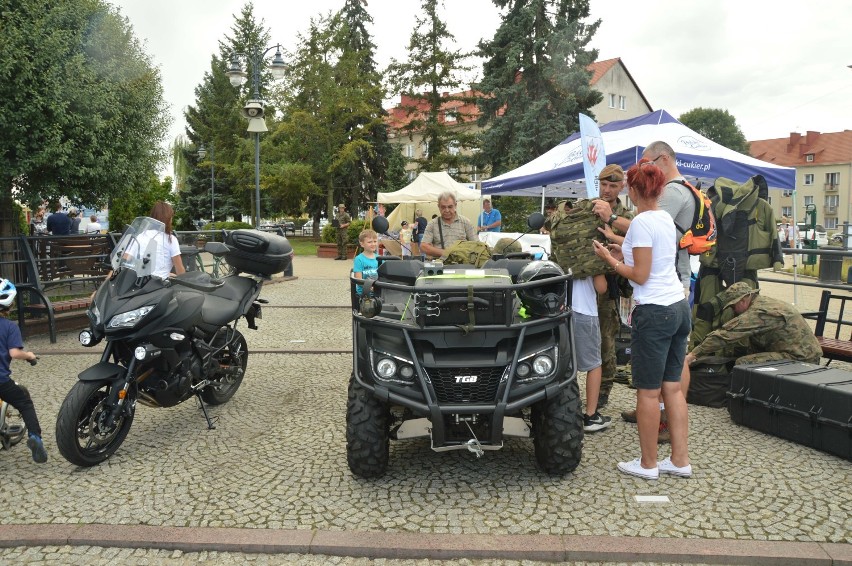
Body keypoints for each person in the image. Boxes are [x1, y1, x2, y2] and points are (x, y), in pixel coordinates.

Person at [593, 158, 692, 480]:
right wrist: (623, 246)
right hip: (678, 306)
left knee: (648, 392)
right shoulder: (663, 217)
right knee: (673, 389)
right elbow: (654, 254)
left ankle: (648, 463)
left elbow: (640, 274)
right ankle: (679, 460)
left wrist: (609, 258)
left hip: (655, 311)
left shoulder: (640, 222)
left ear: (633, 189)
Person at [685, 282, 822, 367]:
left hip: (801, 359)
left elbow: (725, 335)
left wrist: (693, 355)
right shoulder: (763, 302)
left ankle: (744, 399)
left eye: (733, 307)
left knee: (743, 363)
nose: (733, 311)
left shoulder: (757, 313)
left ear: (743, 301)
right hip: (805, 353)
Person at [591, 164, 635, 409]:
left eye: (613, 186)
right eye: (604, 185)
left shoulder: (626, 217)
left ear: (622, 187)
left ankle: (603, 390)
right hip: (583, 285)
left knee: (605, 340)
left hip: (608, 287)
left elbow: (637, 246)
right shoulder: (588, 208)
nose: (607, 190)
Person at [0, 279, 47, 463]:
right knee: (25, 403)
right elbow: (14, 352)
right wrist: (29, 355)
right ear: (10, 304)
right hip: (2, 382)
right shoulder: (10, 327)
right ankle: (35, 437)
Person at [573, 273, 611, 432]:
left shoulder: (560, 247)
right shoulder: (591, 251)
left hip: (562, 310)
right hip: (585, 311)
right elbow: (601, 288)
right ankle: (591, 415)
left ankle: (568, 411)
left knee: (568, 364)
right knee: (594, 364)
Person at [419, 192, 477, 259]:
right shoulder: (432, 224)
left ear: (455, 205)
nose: (447, 210)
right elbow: (423, 246)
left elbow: (476, 245)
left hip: (461, 266)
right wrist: (446, 252)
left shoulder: (466, 223)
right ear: (438, 206)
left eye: (450, 207)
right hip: (440, 265)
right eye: (443, 207)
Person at [352, 229, 379, 294]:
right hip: (365, 293)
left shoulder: (379, 258)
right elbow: (359, 280)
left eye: (375, 241)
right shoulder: (359, 259)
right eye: (369, 242)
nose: (373, 244)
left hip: (378, 291)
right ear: (362, 244)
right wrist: (371, 288)